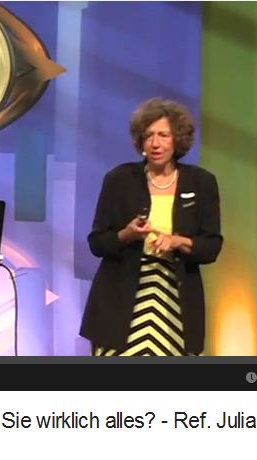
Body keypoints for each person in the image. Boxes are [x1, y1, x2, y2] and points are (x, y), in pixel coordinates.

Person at [80, 97, 223, 356]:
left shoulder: (201, 182)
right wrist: (126, 235)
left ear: (178, 139)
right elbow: (97, 243)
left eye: (163, 135)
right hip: (120, 301)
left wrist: (177, 241)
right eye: (148, 136)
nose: (155, 143)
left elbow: (211, 246)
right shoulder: (119, 179)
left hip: (175, 301)